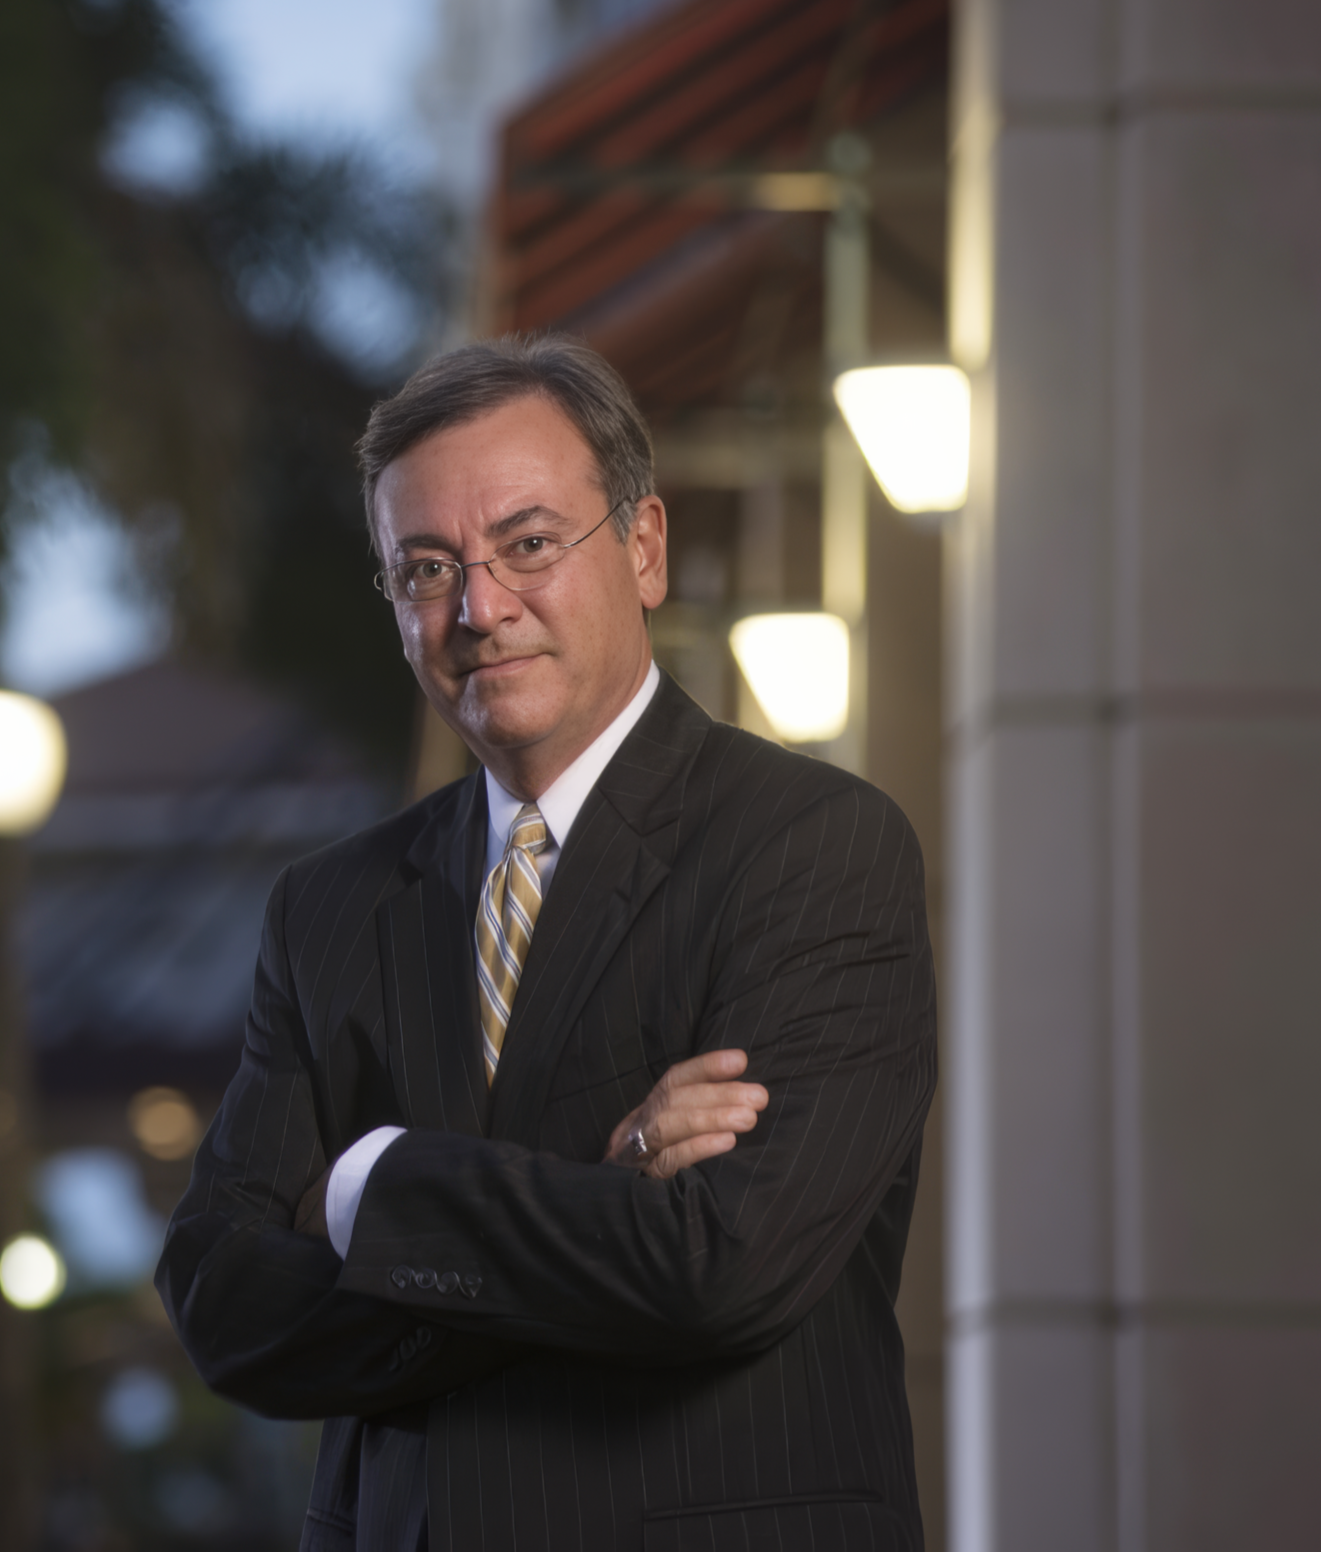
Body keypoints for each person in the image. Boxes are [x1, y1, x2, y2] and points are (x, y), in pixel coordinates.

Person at [157, 335, 937, 1552]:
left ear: (642, 547)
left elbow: (719, 1271)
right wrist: (607, 1189)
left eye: (527, 544)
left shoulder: (816, 851)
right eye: (424, 568)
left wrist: (371, 1189)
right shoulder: (329, 909)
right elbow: (222, 1302)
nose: (477, 607)